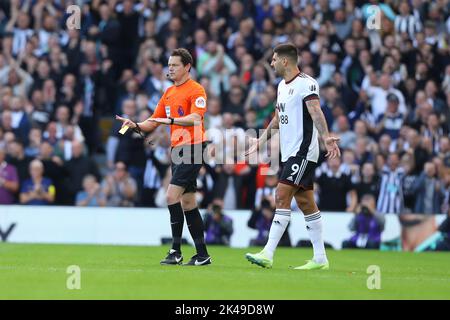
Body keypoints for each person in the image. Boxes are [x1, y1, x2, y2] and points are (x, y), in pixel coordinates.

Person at [245, 43, 341, 270]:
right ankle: (320, 259)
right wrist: (261, 141)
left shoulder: (307, 83)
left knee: (281, 195)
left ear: (285, 61)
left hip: (303, 151)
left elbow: (316, 111)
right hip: (290, 153)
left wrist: (326, 137)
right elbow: (278, 119)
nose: (271, 63)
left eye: (274, 59)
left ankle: (268, 253)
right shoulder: (281, 86)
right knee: (307, 203)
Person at [115, 48, 212, 266]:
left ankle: (175, 250)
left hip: (193, 147)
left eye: (174, 65)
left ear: (187, 67)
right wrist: (135, 125)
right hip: (177, 150)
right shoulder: (168, 93)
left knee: (171, 196)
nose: (170, 68)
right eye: (169, 65)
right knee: (187, 201)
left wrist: (169, 121)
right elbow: (154, 120)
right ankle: (202, 254)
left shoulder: (196, 90)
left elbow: (196, 118)